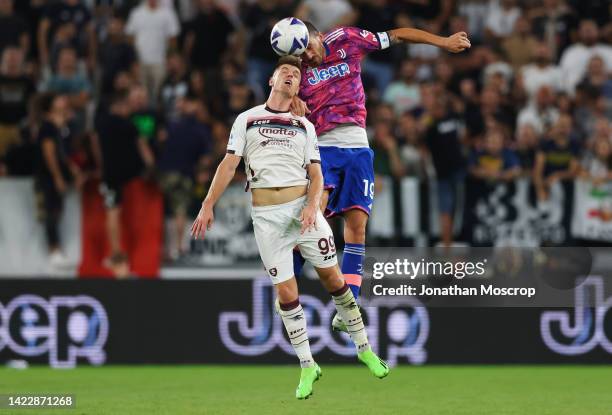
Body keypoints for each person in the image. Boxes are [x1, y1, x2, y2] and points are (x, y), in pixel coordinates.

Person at [190, 56, 389, 400]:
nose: (291, 76)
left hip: (303, 212)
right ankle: (308, 365)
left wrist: (313, 206)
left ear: (299, 87)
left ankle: (364, 349)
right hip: (267, 219)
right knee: (287, 294)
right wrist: (208, 204)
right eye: (285, 71)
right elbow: (229, 164)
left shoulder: (305, 126)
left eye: (296, 75)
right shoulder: (247, 119)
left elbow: (316, 173)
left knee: (335, 281)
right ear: (271, 79)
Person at [291, 20, 470, 331]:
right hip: (323, 148)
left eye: (309, 46)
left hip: (359, 146)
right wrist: (292, 103)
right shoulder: (294, 71)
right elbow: (280, 101)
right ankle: (285, 287)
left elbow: (399, 35)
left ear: (318, 35)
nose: (309, 55)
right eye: (301, 52)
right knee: (313, 220)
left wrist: (443, 42)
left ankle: (349, 306)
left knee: (357, 228)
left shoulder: (347, 39)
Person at [93, 91, 154, 277]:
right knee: (113, 212)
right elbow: (142, 146)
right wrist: (151, 165)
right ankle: (116, 254)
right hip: (119, 176)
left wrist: (99, 165)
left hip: (109, 173)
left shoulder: (101, 123)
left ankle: (116, 252)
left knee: (112, 211)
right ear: (119, 106)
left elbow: (94, 143)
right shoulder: (129, 124)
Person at [34, 92, 83, 269]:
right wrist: (57, 177)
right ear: (51, 105)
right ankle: (53, 250)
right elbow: (49, 153)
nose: (64, 101)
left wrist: (73, 170)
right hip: (48, 177)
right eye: (60, 99)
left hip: (59, 174)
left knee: (57, 211)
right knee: (51, 212)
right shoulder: (47, 126)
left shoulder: (63, 126)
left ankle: (58, 248)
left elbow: (65, 153)